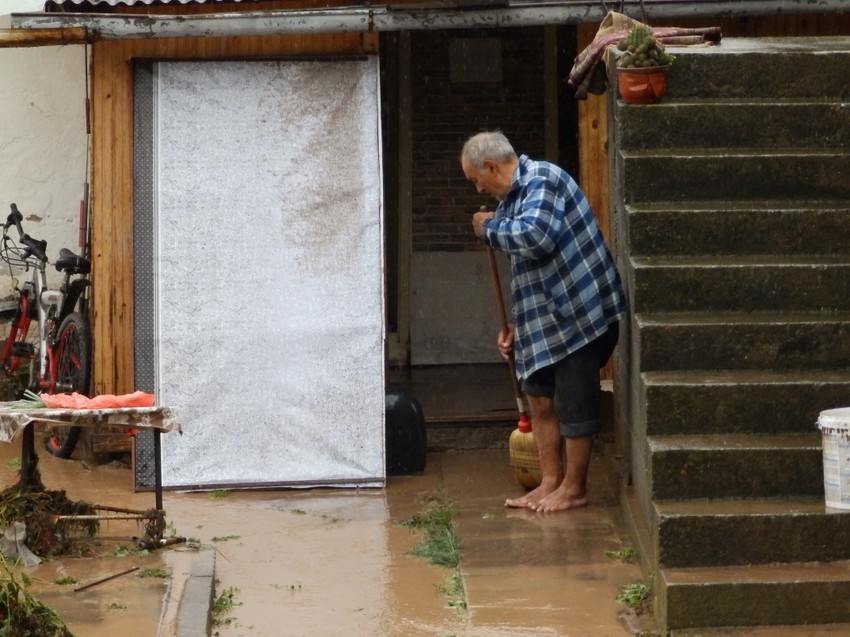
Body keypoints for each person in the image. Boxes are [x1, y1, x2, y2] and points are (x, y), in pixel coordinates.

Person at [460, 130, 627, 513]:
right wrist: (515, 326)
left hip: (579, 314)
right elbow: (526, 273)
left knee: (574, 402)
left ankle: (575, 487)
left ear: (490, 166)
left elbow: (537, 238)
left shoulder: (543, 180)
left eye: (475, 180)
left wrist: (488, 229)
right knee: (538, 398)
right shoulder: (507, 206)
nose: (478, 189)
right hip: (542, 320)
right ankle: (549, 481)